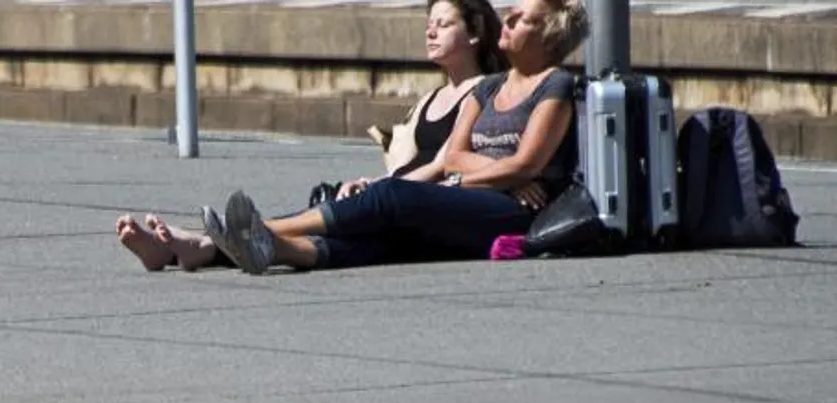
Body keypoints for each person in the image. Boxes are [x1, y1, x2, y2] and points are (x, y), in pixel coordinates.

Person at [202, 0, 592, 274]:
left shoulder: (553, 85)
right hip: (479, 193)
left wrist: (489, 175)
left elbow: (526, 162)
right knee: (387, 237)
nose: (508, 19)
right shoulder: (489, 87)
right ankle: (256, 248)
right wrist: (499, 172)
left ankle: (261, 232)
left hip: (512, 212)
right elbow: (453, 155)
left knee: (390, 197)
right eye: (510, 14)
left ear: (548, 37)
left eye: (522, 19)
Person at [115, 0, 507, 272]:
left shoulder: (485, 90)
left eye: (444, 23)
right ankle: (179, 252)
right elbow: (408, 163)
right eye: (429, 22)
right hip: (401, 192)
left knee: (357, 232)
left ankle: (203, 246)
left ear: (474, 35)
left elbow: (444, 163)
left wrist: (385, 189)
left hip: (433, 201)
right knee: (352, 232)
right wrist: (371, 183)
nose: (430, 30)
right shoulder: (433, 98)